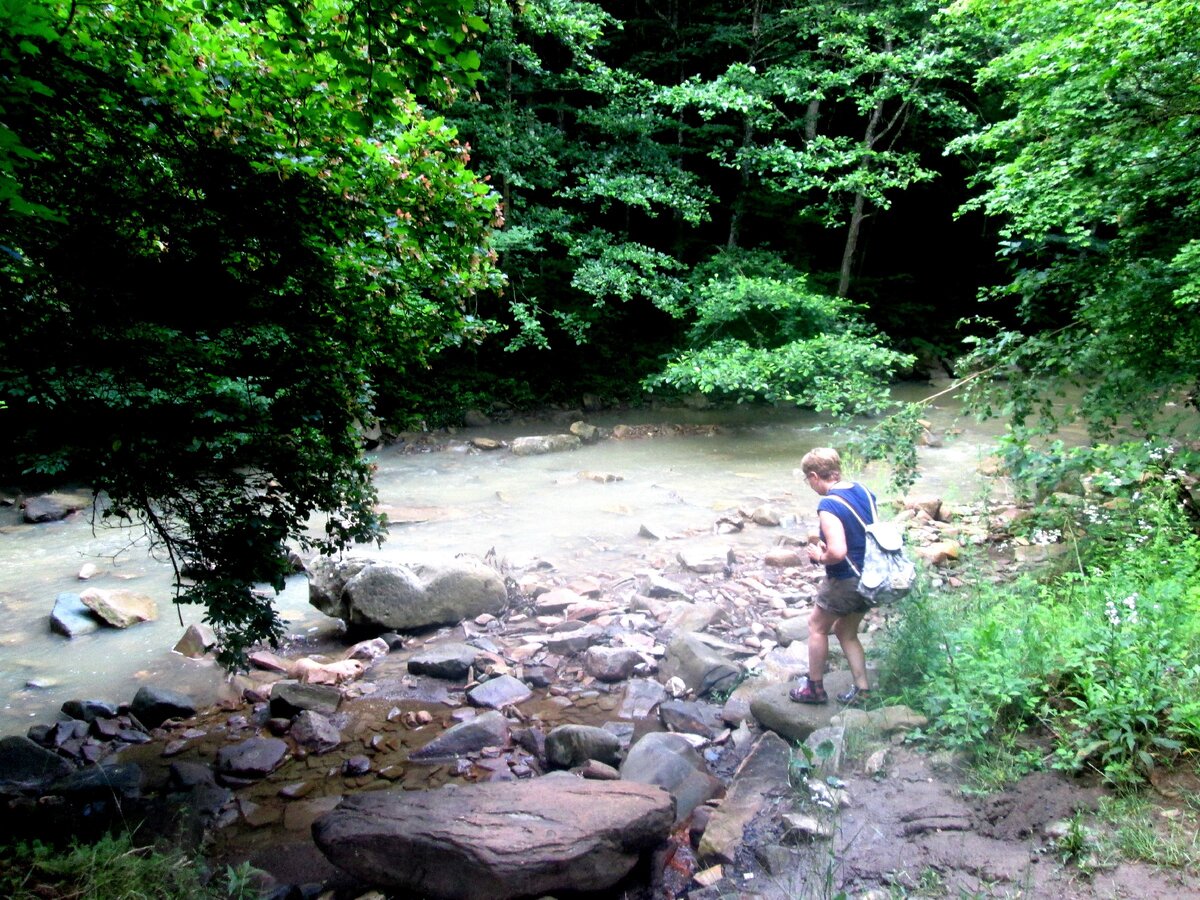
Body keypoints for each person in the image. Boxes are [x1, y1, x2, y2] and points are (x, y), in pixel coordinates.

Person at [789, 447, 874, 706]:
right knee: (846, 631)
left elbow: (838, 551)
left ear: (815, 476)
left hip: (846, 579)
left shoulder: (828, 504)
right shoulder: (862, 491)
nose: (810, 485)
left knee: (817, 627)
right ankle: (863, 690)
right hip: (870, 576)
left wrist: (819, 556)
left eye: (808, 480)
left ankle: (814, 689)